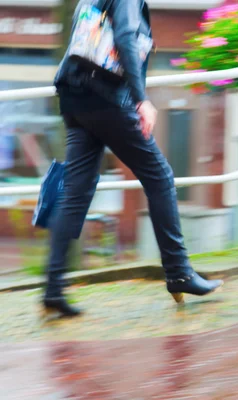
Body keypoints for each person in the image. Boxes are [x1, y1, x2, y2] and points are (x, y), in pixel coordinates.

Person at [44, 0, 223, 318]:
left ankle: (53, 289)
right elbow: (126, 36)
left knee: (74, 192)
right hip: (106, 97)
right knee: (160, 176)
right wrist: (141, 100)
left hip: (74, 98)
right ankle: (179, 271)